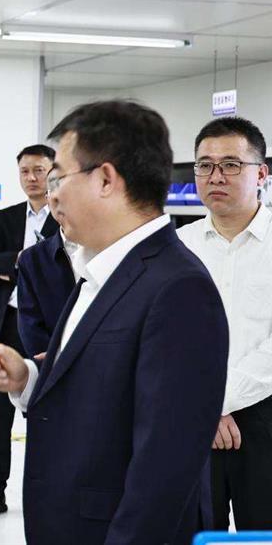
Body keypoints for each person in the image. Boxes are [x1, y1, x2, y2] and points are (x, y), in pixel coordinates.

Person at [0, 99, 229, 545]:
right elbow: (101, 388)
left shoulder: (177, 289)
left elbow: (164, 469)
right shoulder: (102, 271)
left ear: (106, 179)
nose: (52, 195)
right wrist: (28, 377)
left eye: (59, 178)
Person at [177, 117, 272, 531]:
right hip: (189, 422)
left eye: (231, 164)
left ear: (262, 174)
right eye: (205, 165)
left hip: (265, 418)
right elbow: (167, 338)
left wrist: (218, 401)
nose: (216, 176)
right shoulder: (177, 248)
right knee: (197, 531)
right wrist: (207, 407)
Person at [0, 144, 58, 519]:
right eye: (25, 171)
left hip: (49, 328)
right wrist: (21, 259)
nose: (32, 178)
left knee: (49, 414)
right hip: (8, 323)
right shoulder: (7, 217)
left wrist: (14, 264)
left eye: (39, 170)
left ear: (54, 171)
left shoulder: (67, 214)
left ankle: (48, 494)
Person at [15, 203, 79, 359]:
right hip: (53, 365)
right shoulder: (32, 258)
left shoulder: (113, 249)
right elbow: (30, 325)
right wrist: (56, 361)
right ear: (49, 200)